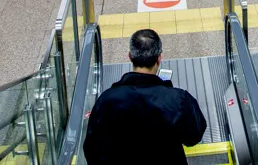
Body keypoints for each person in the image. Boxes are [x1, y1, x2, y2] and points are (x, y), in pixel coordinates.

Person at [83, 29, 206, 165]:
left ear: (130, 56)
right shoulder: (178, 100)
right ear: (159, 58)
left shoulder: (106, 101)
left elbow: (91, 149)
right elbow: (194, 137)